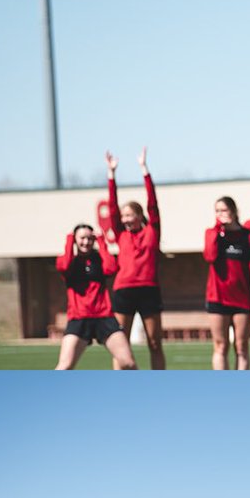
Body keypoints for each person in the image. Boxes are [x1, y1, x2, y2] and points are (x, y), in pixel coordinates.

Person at [104, 147, 166, 369]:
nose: (126, 219)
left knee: (154, 342)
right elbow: (111, 206)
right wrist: (112, 174)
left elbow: (153, 203)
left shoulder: (152, 231)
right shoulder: (121, 234)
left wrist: (144, 170)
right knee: (121, 344)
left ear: (140, 216)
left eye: (130, 215)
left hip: (149, 289)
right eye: (124, 216)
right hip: (124, 291)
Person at [54, 225, 137, 370]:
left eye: (89, 238)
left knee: (128, 363)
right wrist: (69, 241)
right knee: (64, 366)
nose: (86, 242)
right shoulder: (68, 260)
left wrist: (101, 240)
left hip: (104, 316)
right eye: (82, 238)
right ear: (75, 240)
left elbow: (111, 267)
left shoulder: (100, 259)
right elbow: (64, 267)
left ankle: (144, 391)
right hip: (79, 318)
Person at [203, 196, 250, 370]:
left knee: (242, 348)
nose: (220, 215)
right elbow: (209, 256)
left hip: (242, 300)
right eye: (217, 211)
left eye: (224, 210)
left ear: (234, 212)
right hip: (217, 298)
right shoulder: (211, 233)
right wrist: (217, 229)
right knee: (220, 346)